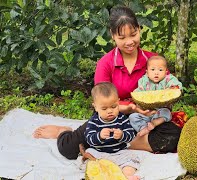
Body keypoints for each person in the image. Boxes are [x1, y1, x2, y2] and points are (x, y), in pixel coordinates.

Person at [33, 5, 182, 160]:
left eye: (133, 34)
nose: (130, 42)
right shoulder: (105, 63)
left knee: (172, 135)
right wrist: (131, 108)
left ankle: (111, 144)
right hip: (110, 116)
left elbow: (168, 89)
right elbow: (101, 102)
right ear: (113, 35)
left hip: (145, 120)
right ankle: (63, 131)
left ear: (139, 29)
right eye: (122, 38)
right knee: (69, 149)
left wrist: (171, 93)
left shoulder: (153, 61)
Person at [84, 82, 139, 180]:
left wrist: (122, 135)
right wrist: (99, 136)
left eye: (113, 107)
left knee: (132, 158)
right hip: (100, 153)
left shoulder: (122, 118)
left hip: (119, 152)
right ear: (95, 107)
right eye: (104, 108)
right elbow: (88, 138)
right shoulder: (94, 121)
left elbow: (131, 135)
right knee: (89, 154)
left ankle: (127, 175)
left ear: (118, 102)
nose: (109, 111)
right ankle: (101, 174)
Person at [129, 56, 182, 136]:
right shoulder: (143, 80)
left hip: (160, 112)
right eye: (152, 70)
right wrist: (140, 108)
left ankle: (155, 123)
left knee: (166, 112)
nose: (156, 73)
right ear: (147, 72)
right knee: (133, 117)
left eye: (160, 70)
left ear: (166, 72)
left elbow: (177, 86)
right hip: (147, 113)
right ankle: (143, 128)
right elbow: (139, 93)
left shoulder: (168, 79)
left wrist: (174, 88)